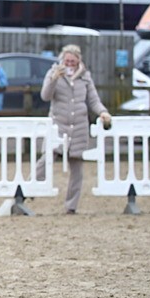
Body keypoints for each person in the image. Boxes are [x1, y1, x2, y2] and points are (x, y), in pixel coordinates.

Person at [35, 44, 111, 214]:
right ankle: (26, 192)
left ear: (78, 61)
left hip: (79, 127)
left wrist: (103, 112)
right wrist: (54, 78)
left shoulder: (85, 77)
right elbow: (45, 96)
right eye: (66, 60)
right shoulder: (53, 72)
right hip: (58, 126)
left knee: (77, 168)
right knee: (45, 160)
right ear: (62, 60)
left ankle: (71, 206)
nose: (69, 63)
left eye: (72, 61)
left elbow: (93, 100)